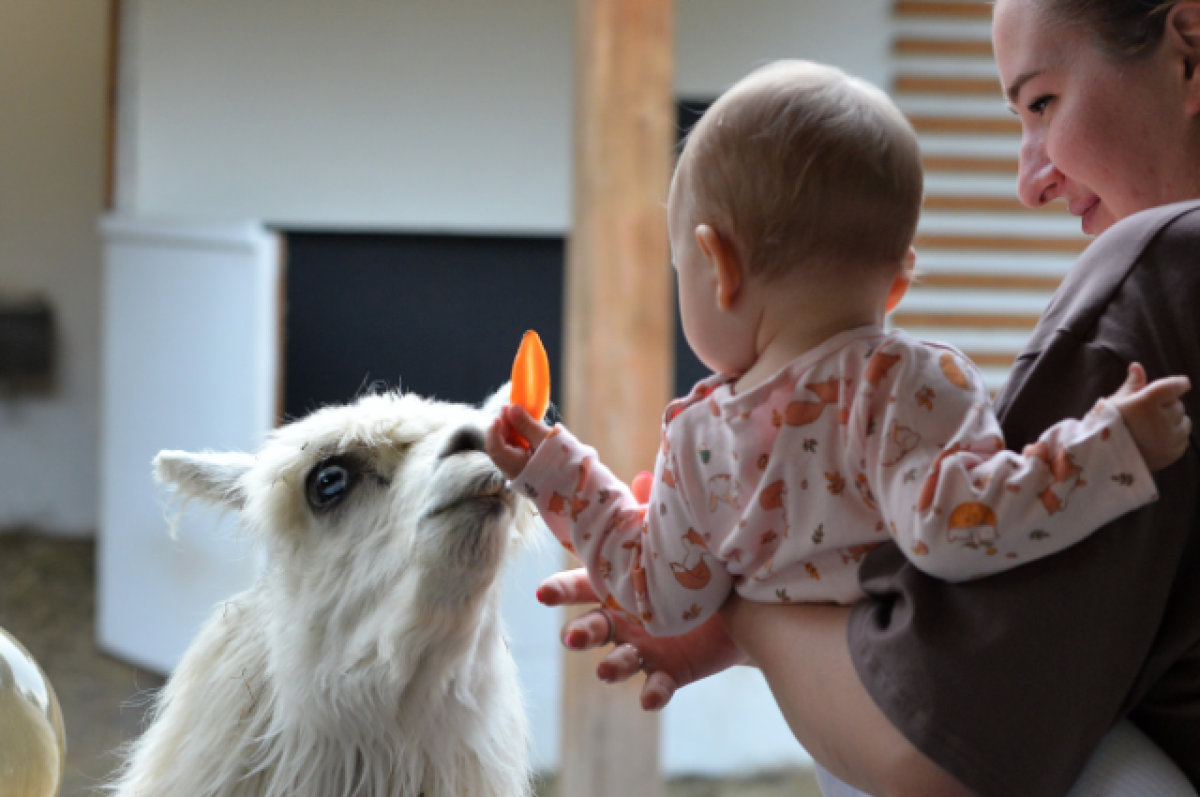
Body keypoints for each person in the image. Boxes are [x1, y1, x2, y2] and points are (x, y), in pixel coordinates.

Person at [534, 2, 1200, 795]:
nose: (1029, 182)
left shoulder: (1163, 267)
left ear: (1188, 49)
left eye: (1042, 103)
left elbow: (937, 745)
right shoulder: (914, 387)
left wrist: (738, 592)